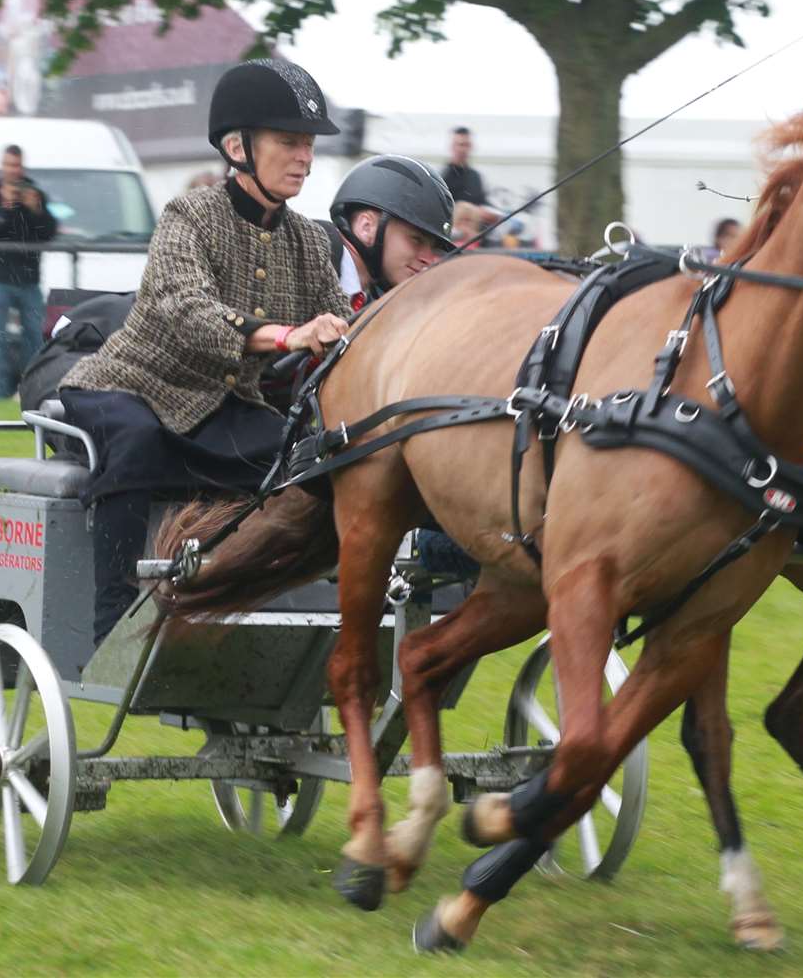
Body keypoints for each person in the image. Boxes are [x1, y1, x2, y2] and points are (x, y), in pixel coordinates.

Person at [60, 58, 351, 645]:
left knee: (305, 459)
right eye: (290, 142)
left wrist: (346, 332)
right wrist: (289, 335)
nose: (306, 158)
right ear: (238, 146)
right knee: (138, 441)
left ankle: (241, 605)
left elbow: (341, 319)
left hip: (219, 404)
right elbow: (184, 309)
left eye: (310, 144)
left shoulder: (308, 240)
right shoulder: (187, 215)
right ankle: (113, 626)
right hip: (126, 383)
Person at [0, 144, 59, 398]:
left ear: (22, 166)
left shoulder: (34, 192)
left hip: (28, 278)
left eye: (17, 165)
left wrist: (35, 210)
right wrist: (5, 207)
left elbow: (48, 233)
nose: (13, 170)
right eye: (9, 165)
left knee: (34, 340)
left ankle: (32, 394)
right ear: (2, 166)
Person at [326, 153, 456, 309]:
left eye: (434, 248)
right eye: (416, 239)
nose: (429, 259)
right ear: (366, 227)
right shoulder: (307, 256)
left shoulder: (370, 301)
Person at [440, 126, 488, 207]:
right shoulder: (442, 177)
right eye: (460, 144)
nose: (463, 149)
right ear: (452, 147)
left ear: (471, 147)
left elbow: (482, 203)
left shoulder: (475, 176)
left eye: (467, 145)